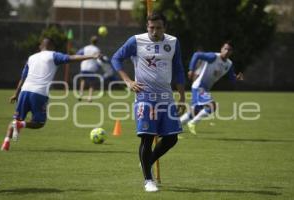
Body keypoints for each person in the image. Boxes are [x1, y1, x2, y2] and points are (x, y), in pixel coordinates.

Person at [111, 12, 185, 192]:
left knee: (172, 138)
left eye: (159, 27)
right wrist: (128, 81)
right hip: (144, 96)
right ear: (147, 27)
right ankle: (148, 180)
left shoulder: (173, 42)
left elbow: (179, 70)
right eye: (151, 27)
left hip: (166, 97)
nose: (155, 31)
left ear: (165, 28)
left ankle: (147, 161)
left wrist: (182, 97)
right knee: (147, 137)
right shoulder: (136, 41)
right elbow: (115, 59)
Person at [1, 37, 100, 151]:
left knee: (16, 119)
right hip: (39, 93)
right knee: (39, 123)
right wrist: (92, 56)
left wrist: (16, 94)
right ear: (52, 46)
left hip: (24, 91)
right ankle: (21, 125)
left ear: (40, 46)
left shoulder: (31, 57)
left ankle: (6, 143)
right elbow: (72, 58)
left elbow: (23, 78)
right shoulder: (53, 55)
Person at [180, 41, 244, 134]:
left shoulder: (229, 64)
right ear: (221, 49)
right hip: (199, 86)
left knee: (193, 113)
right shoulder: (213, 57)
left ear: (231, 52)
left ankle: (173, 128)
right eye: (225, 49)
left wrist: (237, 78)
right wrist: (191, 69)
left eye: (229, 50)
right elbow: (197, 55)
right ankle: (192, 123)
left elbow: (231, 79)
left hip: (204, 89)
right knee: (211, 106)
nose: (226, 51)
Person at [77, 35, 101, 102]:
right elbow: (99, 58)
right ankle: (89, 97)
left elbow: (78, 53)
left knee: (83, 81)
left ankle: (80, 95)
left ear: (90, 41)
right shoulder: (97, 49)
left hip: (84, 66)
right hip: (92, 67)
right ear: (97, 42)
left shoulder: (85, 48)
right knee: (92, 83)